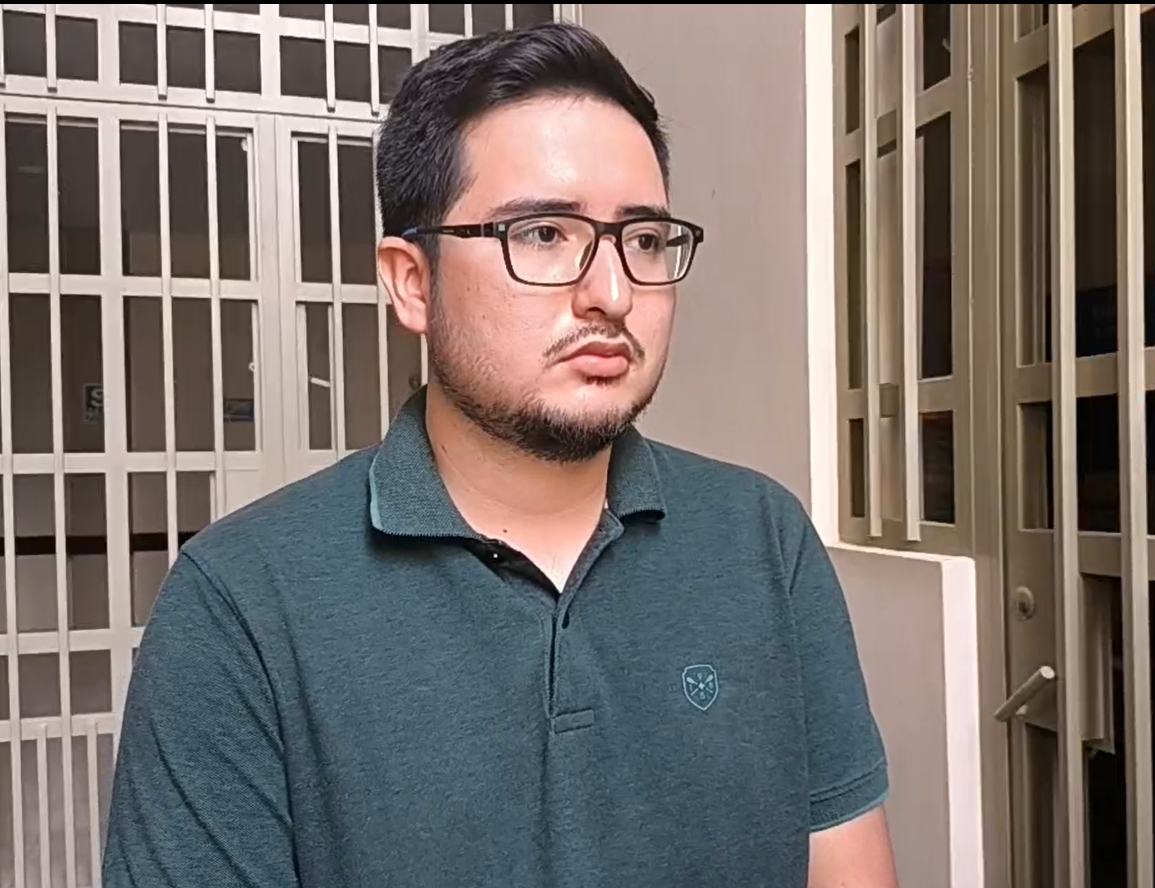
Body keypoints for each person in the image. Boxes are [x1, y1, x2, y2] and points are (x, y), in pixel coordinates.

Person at [103, 22, 897, 888]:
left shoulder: (761, 538)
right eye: (544, 234)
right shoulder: (241, 601)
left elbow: (846, 864)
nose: (611, 293)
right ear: (413, 281)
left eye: (642, 239)